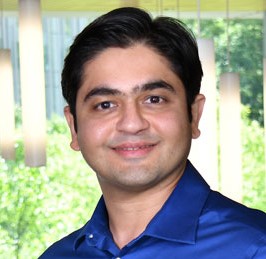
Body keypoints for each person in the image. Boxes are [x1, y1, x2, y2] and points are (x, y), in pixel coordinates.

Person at [39, 7, 266, 258]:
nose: (132, 123)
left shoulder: (255, 246)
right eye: (105, 104)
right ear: (73, 126)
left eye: (154, 99)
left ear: (194, 115)